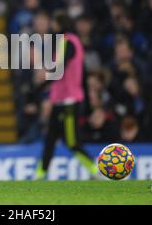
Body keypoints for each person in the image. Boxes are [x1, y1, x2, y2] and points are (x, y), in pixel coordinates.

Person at [35, 12, 98, 180]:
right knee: (50, 139)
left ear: (59, 25)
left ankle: (95, 170)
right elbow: (81, 74)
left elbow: (59, 70)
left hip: (69, 100)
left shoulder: (67, 41)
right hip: (61, 99)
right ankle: (40, 174)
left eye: (54, 24)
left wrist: (42, 81)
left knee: (71, 141)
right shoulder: (74, 42)